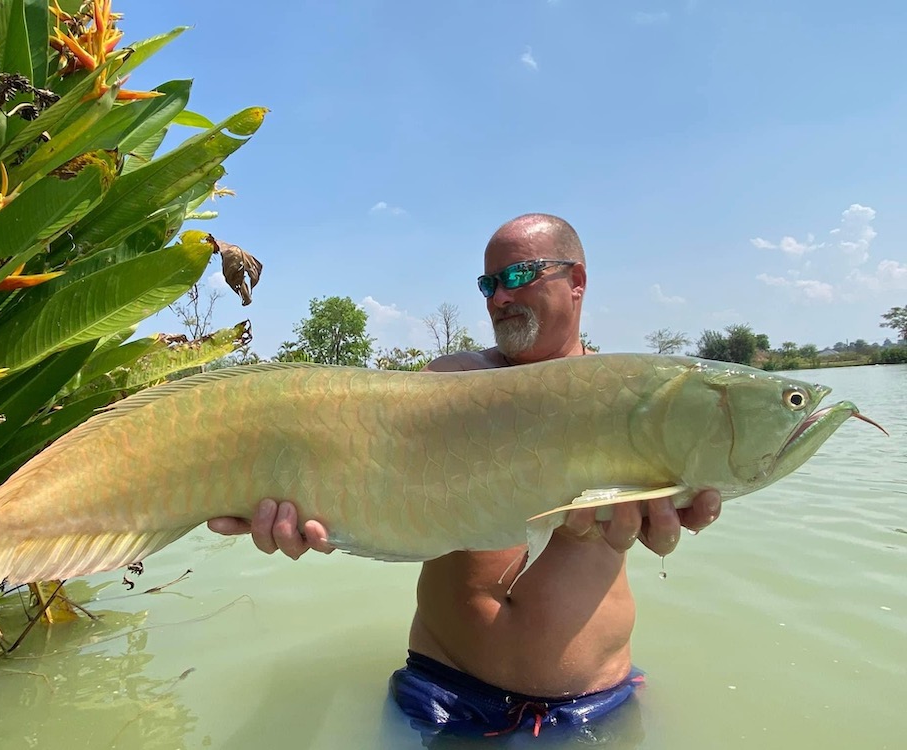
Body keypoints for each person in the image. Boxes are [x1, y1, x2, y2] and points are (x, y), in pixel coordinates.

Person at [207, 213, 722, 738]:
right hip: (441, 690)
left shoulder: (635, 402)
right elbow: (359, 472)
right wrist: (286, 503)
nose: (499, 297)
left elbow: (688, 500)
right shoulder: (453, 380)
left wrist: (676, 515)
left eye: (519, 276)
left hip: (588, 702)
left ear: (577, 281)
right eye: (488, 284)